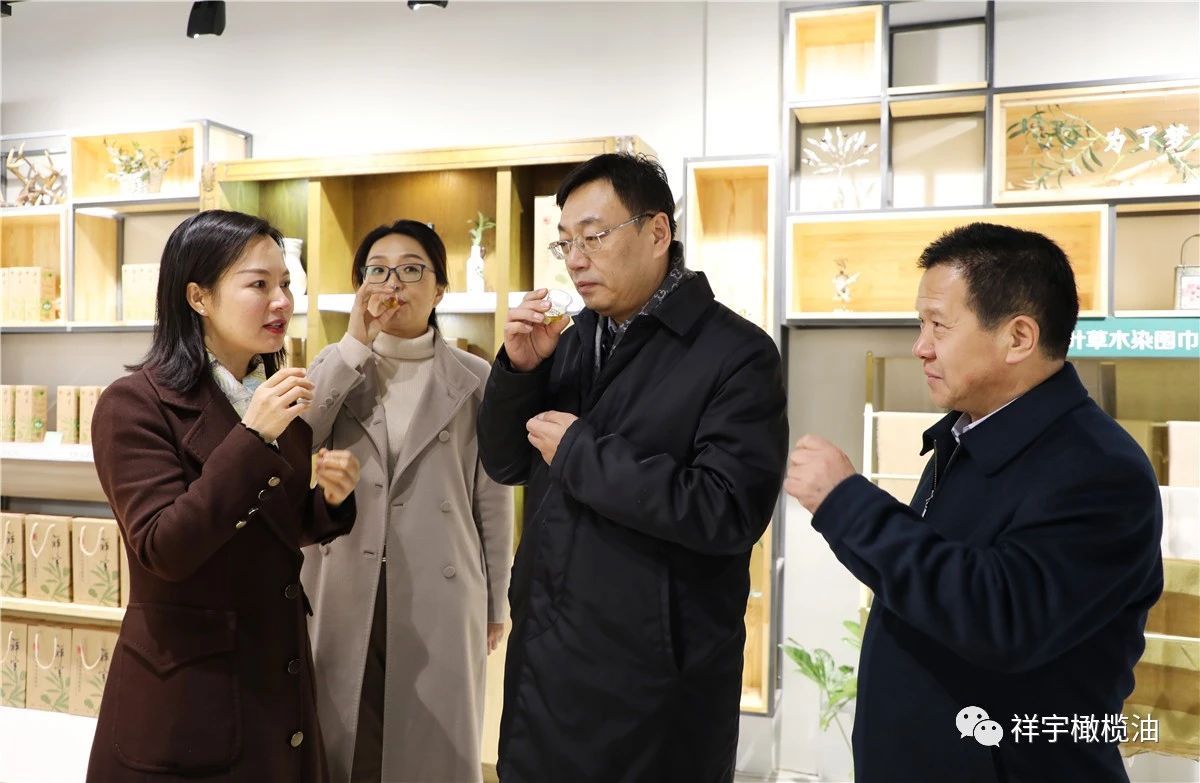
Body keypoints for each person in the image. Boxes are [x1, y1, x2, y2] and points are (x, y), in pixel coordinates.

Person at [785, 222, 1163, 783]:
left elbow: (1001, 616)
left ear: (1019, 337)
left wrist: (847, 503)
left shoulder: (1102, 470)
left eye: (938, 325)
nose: (920, 346)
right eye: (920, 324)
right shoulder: (968, 435)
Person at [476, 153, 788, 782]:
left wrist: (582, 454)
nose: (575, 258)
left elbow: (726, 511)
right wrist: (519, 372)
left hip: (655, 687)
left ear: (657, 232)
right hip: (546, 664)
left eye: (593, 236)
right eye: (565, 242)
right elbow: (507, 463)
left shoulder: (738, 353)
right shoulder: (570, 339)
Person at [86, 209, 361, 782]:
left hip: (277, 677)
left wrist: (328, 503)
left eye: (285, 283)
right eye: (258, 284)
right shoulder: (133, 405)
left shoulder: (273, 399)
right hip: (190, 695)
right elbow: (165, 547)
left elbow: (272, 530)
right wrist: (253, 437)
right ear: (199, 297)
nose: (281, 301)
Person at [301, 219, 513, 783]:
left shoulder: (475, 378)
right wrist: (353, 344)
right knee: (345, 735)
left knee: (431, 745)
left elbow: (491, 499)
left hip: (440, 586)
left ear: (439, 288)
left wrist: (496, 601)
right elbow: (299, 437)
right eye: (377, 270)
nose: (393, 283)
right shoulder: (335, 364)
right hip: (345, 576)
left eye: (412, 269)